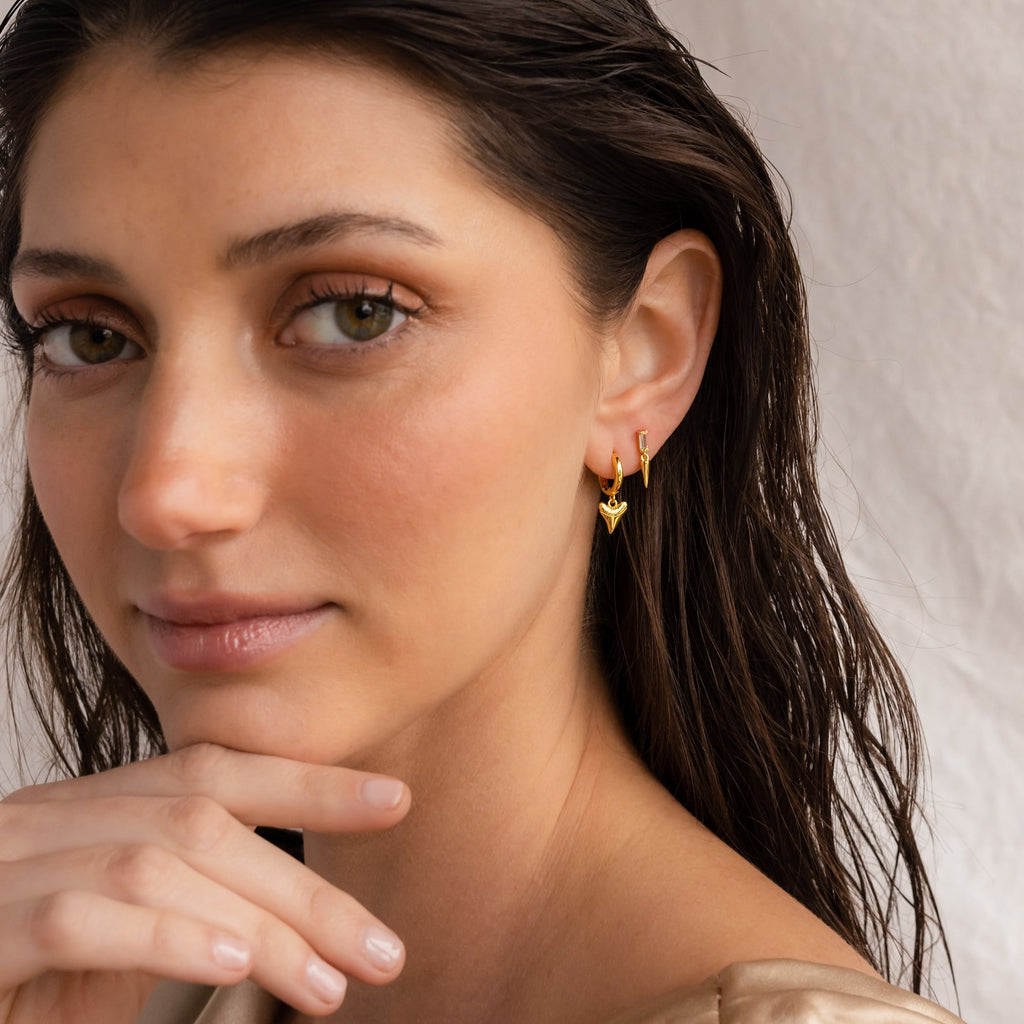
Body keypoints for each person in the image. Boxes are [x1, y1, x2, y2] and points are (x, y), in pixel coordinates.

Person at [0, 0, 966, 1021]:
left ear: (643, 354)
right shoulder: (106, 984)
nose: (165, 494)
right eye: (88, 337)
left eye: (354, 311)